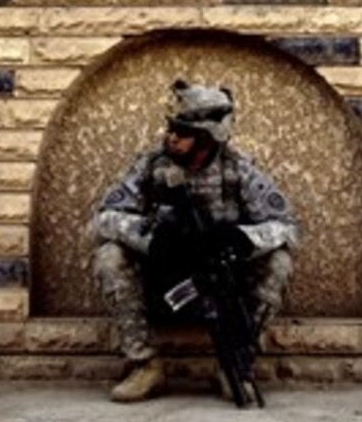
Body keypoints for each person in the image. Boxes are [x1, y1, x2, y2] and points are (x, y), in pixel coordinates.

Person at [90, 80, 299, 402]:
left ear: (206, 138)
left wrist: (241, 240)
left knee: (279, 261)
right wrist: (153, 238)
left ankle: (235, 365)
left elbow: (286, 227)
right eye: (171, 128)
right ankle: (145, 365)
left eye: (181, 132)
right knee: (109, 256)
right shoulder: (151, 166)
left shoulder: (237, 170)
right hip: (163, 277)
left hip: (217, 280)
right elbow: (103, 218)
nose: (170, 137)